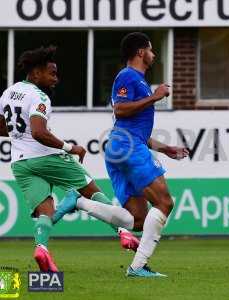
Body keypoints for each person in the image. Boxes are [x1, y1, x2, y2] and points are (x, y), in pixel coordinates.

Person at [0, 46, 139, 272]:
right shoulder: (39, 96)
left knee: (46, 212)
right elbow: (38, 132)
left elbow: (3, 128)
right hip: (47, 157)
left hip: (21, 163)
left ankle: (42, 249)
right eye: (51, 73)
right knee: (91, 190)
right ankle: (123, 233)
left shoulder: (8, 92)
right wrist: (70, 147)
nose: (56, 79)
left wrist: (19, 134)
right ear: (35, 73)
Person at [105, 32, 189, 278]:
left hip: (126, 144)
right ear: (141, 52)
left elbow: (132, 126)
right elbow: (120, 110)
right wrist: (155, 96)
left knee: (138, 219)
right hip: (129, 146)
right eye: (151, 50)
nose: (154, 54)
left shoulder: (137, 80)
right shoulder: (128, 76)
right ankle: (138, 267)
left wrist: (165, 148)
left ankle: (78, 202)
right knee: (165, 203)